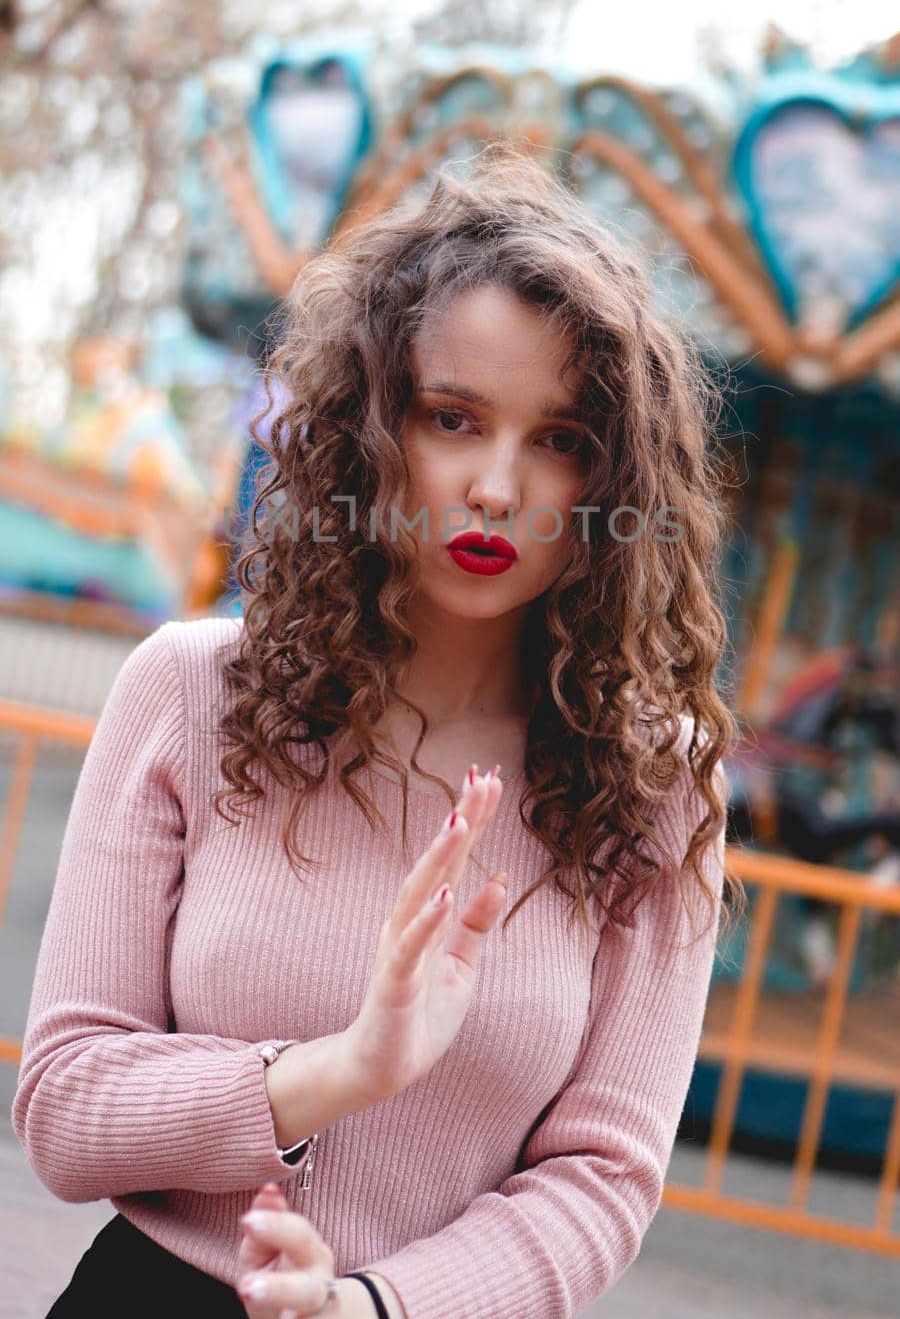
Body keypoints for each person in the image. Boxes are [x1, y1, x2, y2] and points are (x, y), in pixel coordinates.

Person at [12, 144, 743, 1319]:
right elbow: (65, 1107)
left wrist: (367, 1304)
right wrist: (341, 1068)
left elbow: (603, 1178)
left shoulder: (653, 786)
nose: (499, 488)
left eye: (559, 439)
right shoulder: (195, 694)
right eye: (454, 419)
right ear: (370, 431)